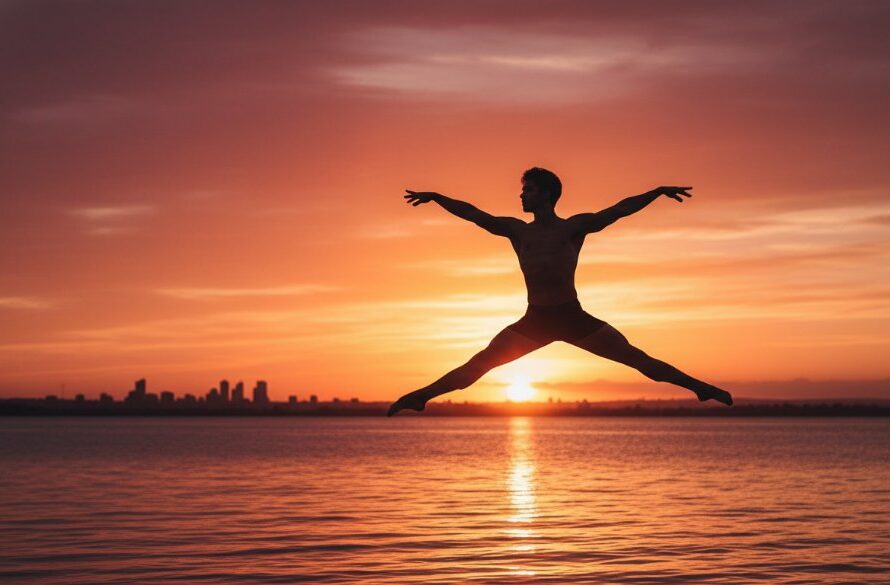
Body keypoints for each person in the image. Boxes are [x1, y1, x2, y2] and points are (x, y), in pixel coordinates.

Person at [387, 167, 733, 416]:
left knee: (640, 361)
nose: (522, 195)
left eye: (529, 190)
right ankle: (421, 396)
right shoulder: (517, 231)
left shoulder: (573, 227)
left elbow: (617, 210)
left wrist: (655, 192)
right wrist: (437, 198)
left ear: (547, 194)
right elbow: (474, 214)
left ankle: (701, 388)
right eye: (523, 191)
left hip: (572, 317)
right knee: (476, 366)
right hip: (535, 320)